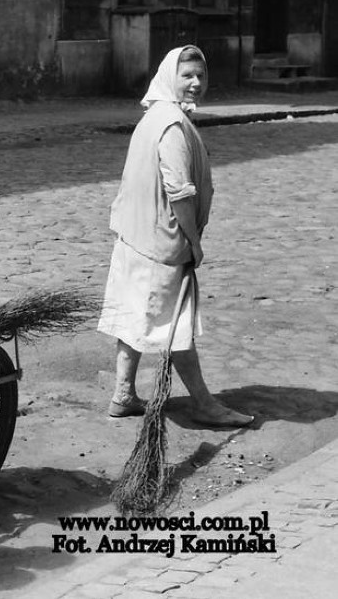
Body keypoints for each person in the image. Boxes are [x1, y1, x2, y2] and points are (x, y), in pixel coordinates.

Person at [97, 45, 253, 428]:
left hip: (134, 237)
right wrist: (194, 243)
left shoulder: (154, 117)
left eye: (201, 75)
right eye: (188, 76)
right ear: (171, 77)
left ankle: (123, 393)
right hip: (160, 243)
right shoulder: (171, 126)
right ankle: (204, 404)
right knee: (177, 326)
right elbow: (179, 191)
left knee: (134, 314)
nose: (196, 83)